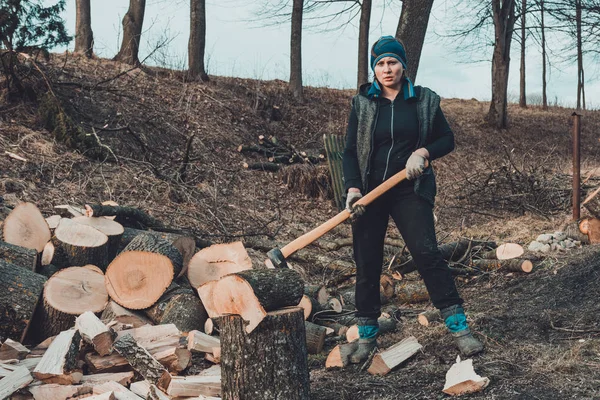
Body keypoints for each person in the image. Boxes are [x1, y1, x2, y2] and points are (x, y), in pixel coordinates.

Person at [342, 35, 484, 363]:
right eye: (380, 63)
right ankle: (366, 336)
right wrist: (352, 188)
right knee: (366, 262)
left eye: (392, 62)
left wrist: (423, 152)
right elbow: (350, 150)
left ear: (404, 65)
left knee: (426, 253)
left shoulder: (424, 101)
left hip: (410, 190)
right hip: (369, 193)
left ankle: (459, 329)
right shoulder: (362, 103)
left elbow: (446, 139)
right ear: (373, 69)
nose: (386, 69)